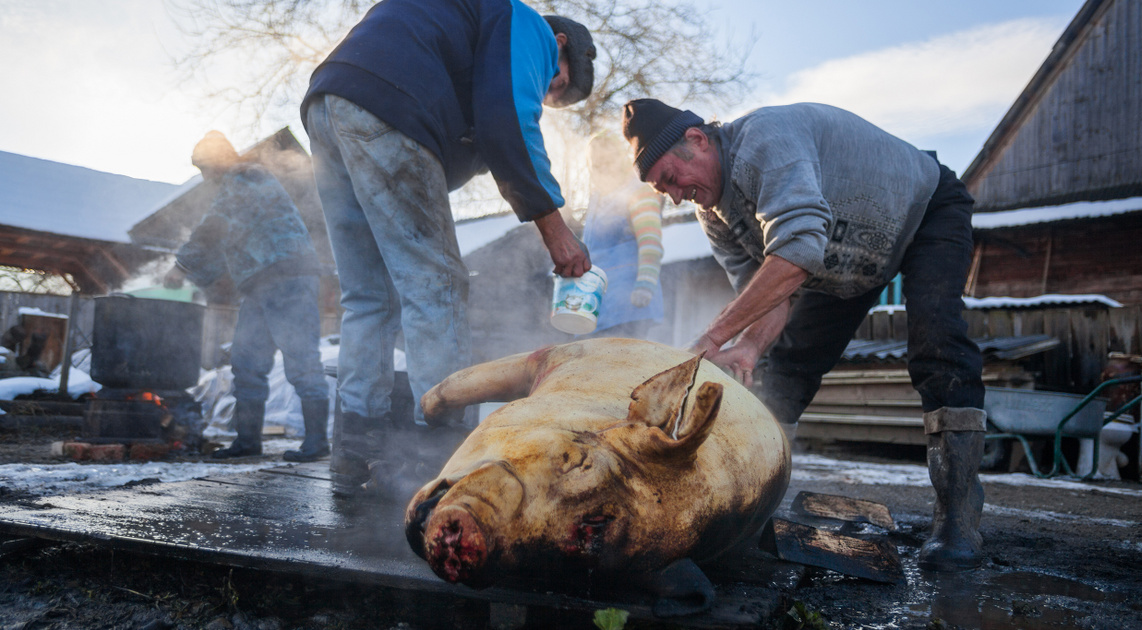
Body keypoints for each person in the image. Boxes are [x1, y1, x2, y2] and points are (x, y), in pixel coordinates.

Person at [621, 99, 987, 572]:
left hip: (925, 211)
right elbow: (771, 293)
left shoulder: (765, 141)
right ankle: (753, 506)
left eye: (670, 179)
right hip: (843, 260)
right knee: (785, 370)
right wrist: (749, 346)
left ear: (696, 140)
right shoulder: (713, 216)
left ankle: (959, 518)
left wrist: (712, 337)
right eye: (661, 190)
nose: (673, 196)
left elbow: (795, 252)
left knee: (937, 342)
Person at [301, 0, 594, 496]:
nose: (547, 93)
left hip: (328, 102)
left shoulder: (463, 28)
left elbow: (467, 141)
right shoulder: (526, 24)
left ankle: (355, 450)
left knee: (369, 297)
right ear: (560, 44)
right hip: (388, 103)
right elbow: (510, 122)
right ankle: (444, 455)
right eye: (558, 83)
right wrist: (555, 230)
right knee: (437, 284)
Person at [165, 131, 330, 462]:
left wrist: (181, 267)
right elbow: (224, 242)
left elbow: (214, 226)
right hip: (259, 284)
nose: (204, 177)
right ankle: (248, 441)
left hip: (288, 278)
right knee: (247, 361)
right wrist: (196, 276)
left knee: (301, 359)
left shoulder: (247, 177)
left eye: (204, 168)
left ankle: (316, 442)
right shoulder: (237, 187)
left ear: (218, 162)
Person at [581, 131, 666, 339]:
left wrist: (645, 284)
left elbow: (651, 243)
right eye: (596, 164)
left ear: (620, 158)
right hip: (597, 310)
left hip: (630, 308)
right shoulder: (596, 200)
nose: (602, 168)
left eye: (607, 161)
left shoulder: (638, 192)